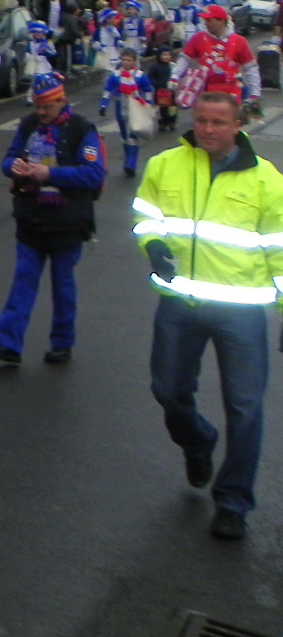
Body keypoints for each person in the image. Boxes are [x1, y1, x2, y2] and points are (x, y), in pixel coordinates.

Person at [134, 91, 283, 540]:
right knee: (168, 389)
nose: (208, 129)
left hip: (241, 311)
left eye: (219, 122)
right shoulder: (165, 165)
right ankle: (198, 440)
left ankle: (233, 502)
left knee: (245, 408)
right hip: (180, 303)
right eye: (202, 120)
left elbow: (280, 251)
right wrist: (153, 244)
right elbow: (146, 213)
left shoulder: (267, 181)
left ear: (238, 125)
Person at [0, 71, 106, 366]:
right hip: (32, 219)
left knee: (63, 288)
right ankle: (8, 343)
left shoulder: (82, 130)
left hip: (68, 222)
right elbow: (8, 158)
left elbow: (93, 174)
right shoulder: (28, 125)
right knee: (22, 283)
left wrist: (50, 174)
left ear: (62, 101)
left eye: (47, 107)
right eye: (37, 106)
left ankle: (62, 343)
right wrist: (15, 167)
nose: (41, 112)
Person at [172, 4, 260, 120]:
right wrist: (175, 76)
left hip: (230, 95)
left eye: (209, 20)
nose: (206, 23)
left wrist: (255, 92)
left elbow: (250, 68)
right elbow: (184, 59)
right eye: (205, 21)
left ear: (221, 21)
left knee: (226, 124)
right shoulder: (198, 38)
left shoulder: (239, 41)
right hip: (205, 94)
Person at [99, 47, 154, 179]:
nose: (125, 62)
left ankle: (131, 163)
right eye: (123, 59)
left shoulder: (139, 76)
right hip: (120, 107)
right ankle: (128, 158)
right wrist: (104, 104)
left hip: (134, 107)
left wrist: (148, 104)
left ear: (134, 61)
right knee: (124, 136)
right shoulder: (116, 75)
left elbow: (148, 90)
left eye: (128, 60)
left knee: (132, 135)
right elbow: (108, 90)